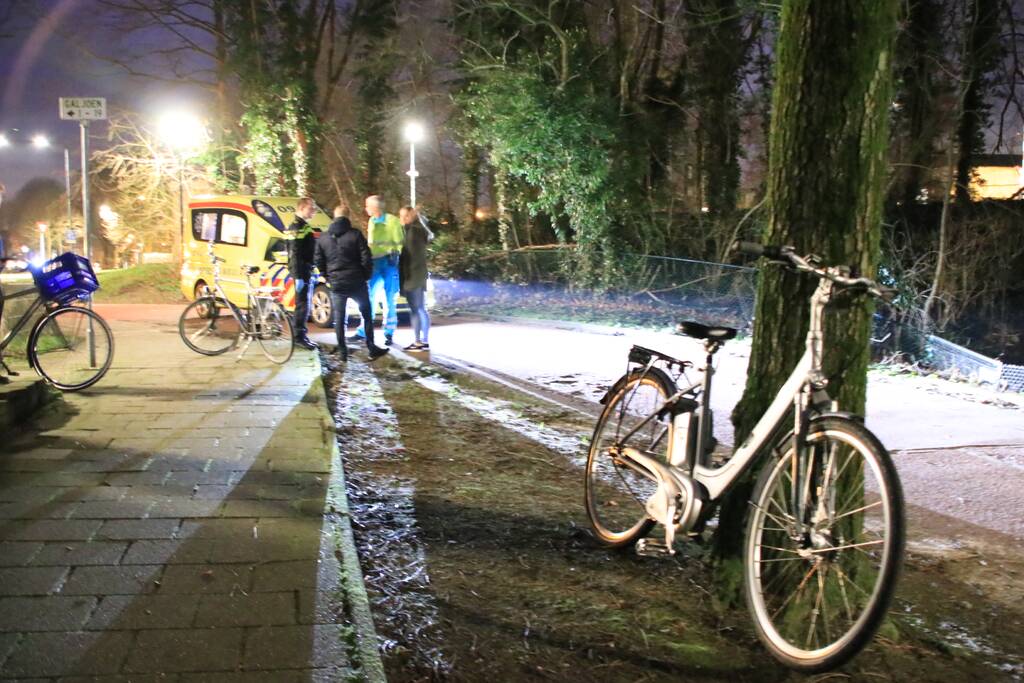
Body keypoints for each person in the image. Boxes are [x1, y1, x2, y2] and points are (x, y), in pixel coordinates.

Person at [314, 203, 389, 362]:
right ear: (347, 217)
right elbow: (366, 257)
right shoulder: (355, 235)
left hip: (336, 285)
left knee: (340, 319)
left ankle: (343, 352)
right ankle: (371, 347)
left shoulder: (323, 238)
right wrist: (366, 275)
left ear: (334, 217)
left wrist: (326, 277)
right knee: (366, 314)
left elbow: (318, 260)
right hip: (357, 282)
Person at [349, 195, 403, 346]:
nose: (365, 208)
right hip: (375, 264)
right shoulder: (372, 221)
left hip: (389, 263)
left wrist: (395, 253)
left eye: (367, 206)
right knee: (369, 298)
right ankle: (363, 331)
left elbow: (399, 243)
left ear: (376, 207)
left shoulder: (392, 221)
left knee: (389, 299)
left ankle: (389, 332)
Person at [285, 197, 319, 350]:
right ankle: (299, 337)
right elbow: (295, 253)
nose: (314, 211)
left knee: (303, 304)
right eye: (311, 208)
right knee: (302, 305)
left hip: (305, 270)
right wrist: (298, 276)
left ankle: (300, 335)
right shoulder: (297, 227)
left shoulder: (302, 226)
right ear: (302, 208)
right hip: (301, 272)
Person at [398, 206, 431, 351]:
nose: (402, 219)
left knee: (415, 310)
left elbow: (406, 258)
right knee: (422, 309)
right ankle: (424, 340)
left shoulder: (412, 232)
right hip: (420, 274)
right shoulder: (420, 231)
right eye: (401, 216)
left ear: (410, 217)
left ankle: (417, 341)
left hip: (412, 276)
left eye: (405, 216)